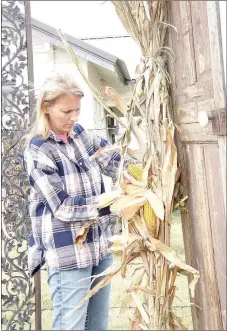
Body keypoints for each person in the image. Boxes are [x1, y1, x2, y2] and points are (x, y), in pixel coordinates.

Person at [23, 73, 134, 330]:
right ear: (46, 108)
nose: (74, 117)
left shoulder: (81, 134)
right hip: (68, 253)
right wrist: (113, 203)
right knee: (70, 325)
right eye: (66, 111)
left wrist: (140, 171)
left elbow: (112, 161)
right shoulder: (38, 150)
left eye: (78, 110)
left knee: (97, 325)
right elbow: (63, 207)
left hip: (99, 248)